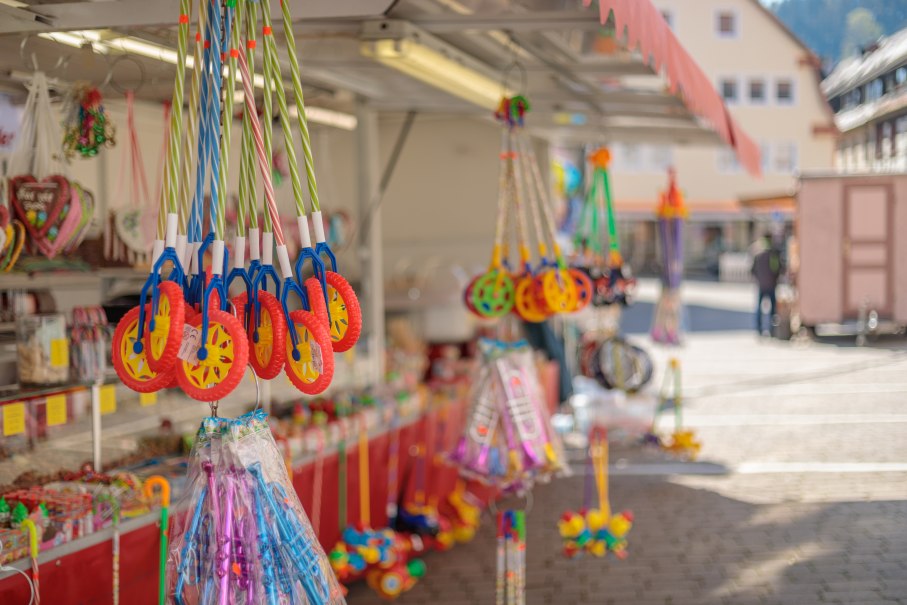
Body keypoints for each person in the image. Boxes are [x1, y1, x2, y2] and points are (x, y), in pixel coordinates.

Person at [751, 236, 784, 336]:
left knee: (759, 308)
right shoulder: (773, 256)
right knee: (772, 309)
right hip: (771, 285)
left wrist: (760, 279)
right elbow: (777, 270)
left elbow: (753, 271)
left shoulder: (758, 256)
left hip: (761, 285)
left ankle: (759, 328)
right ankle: (772, 329)